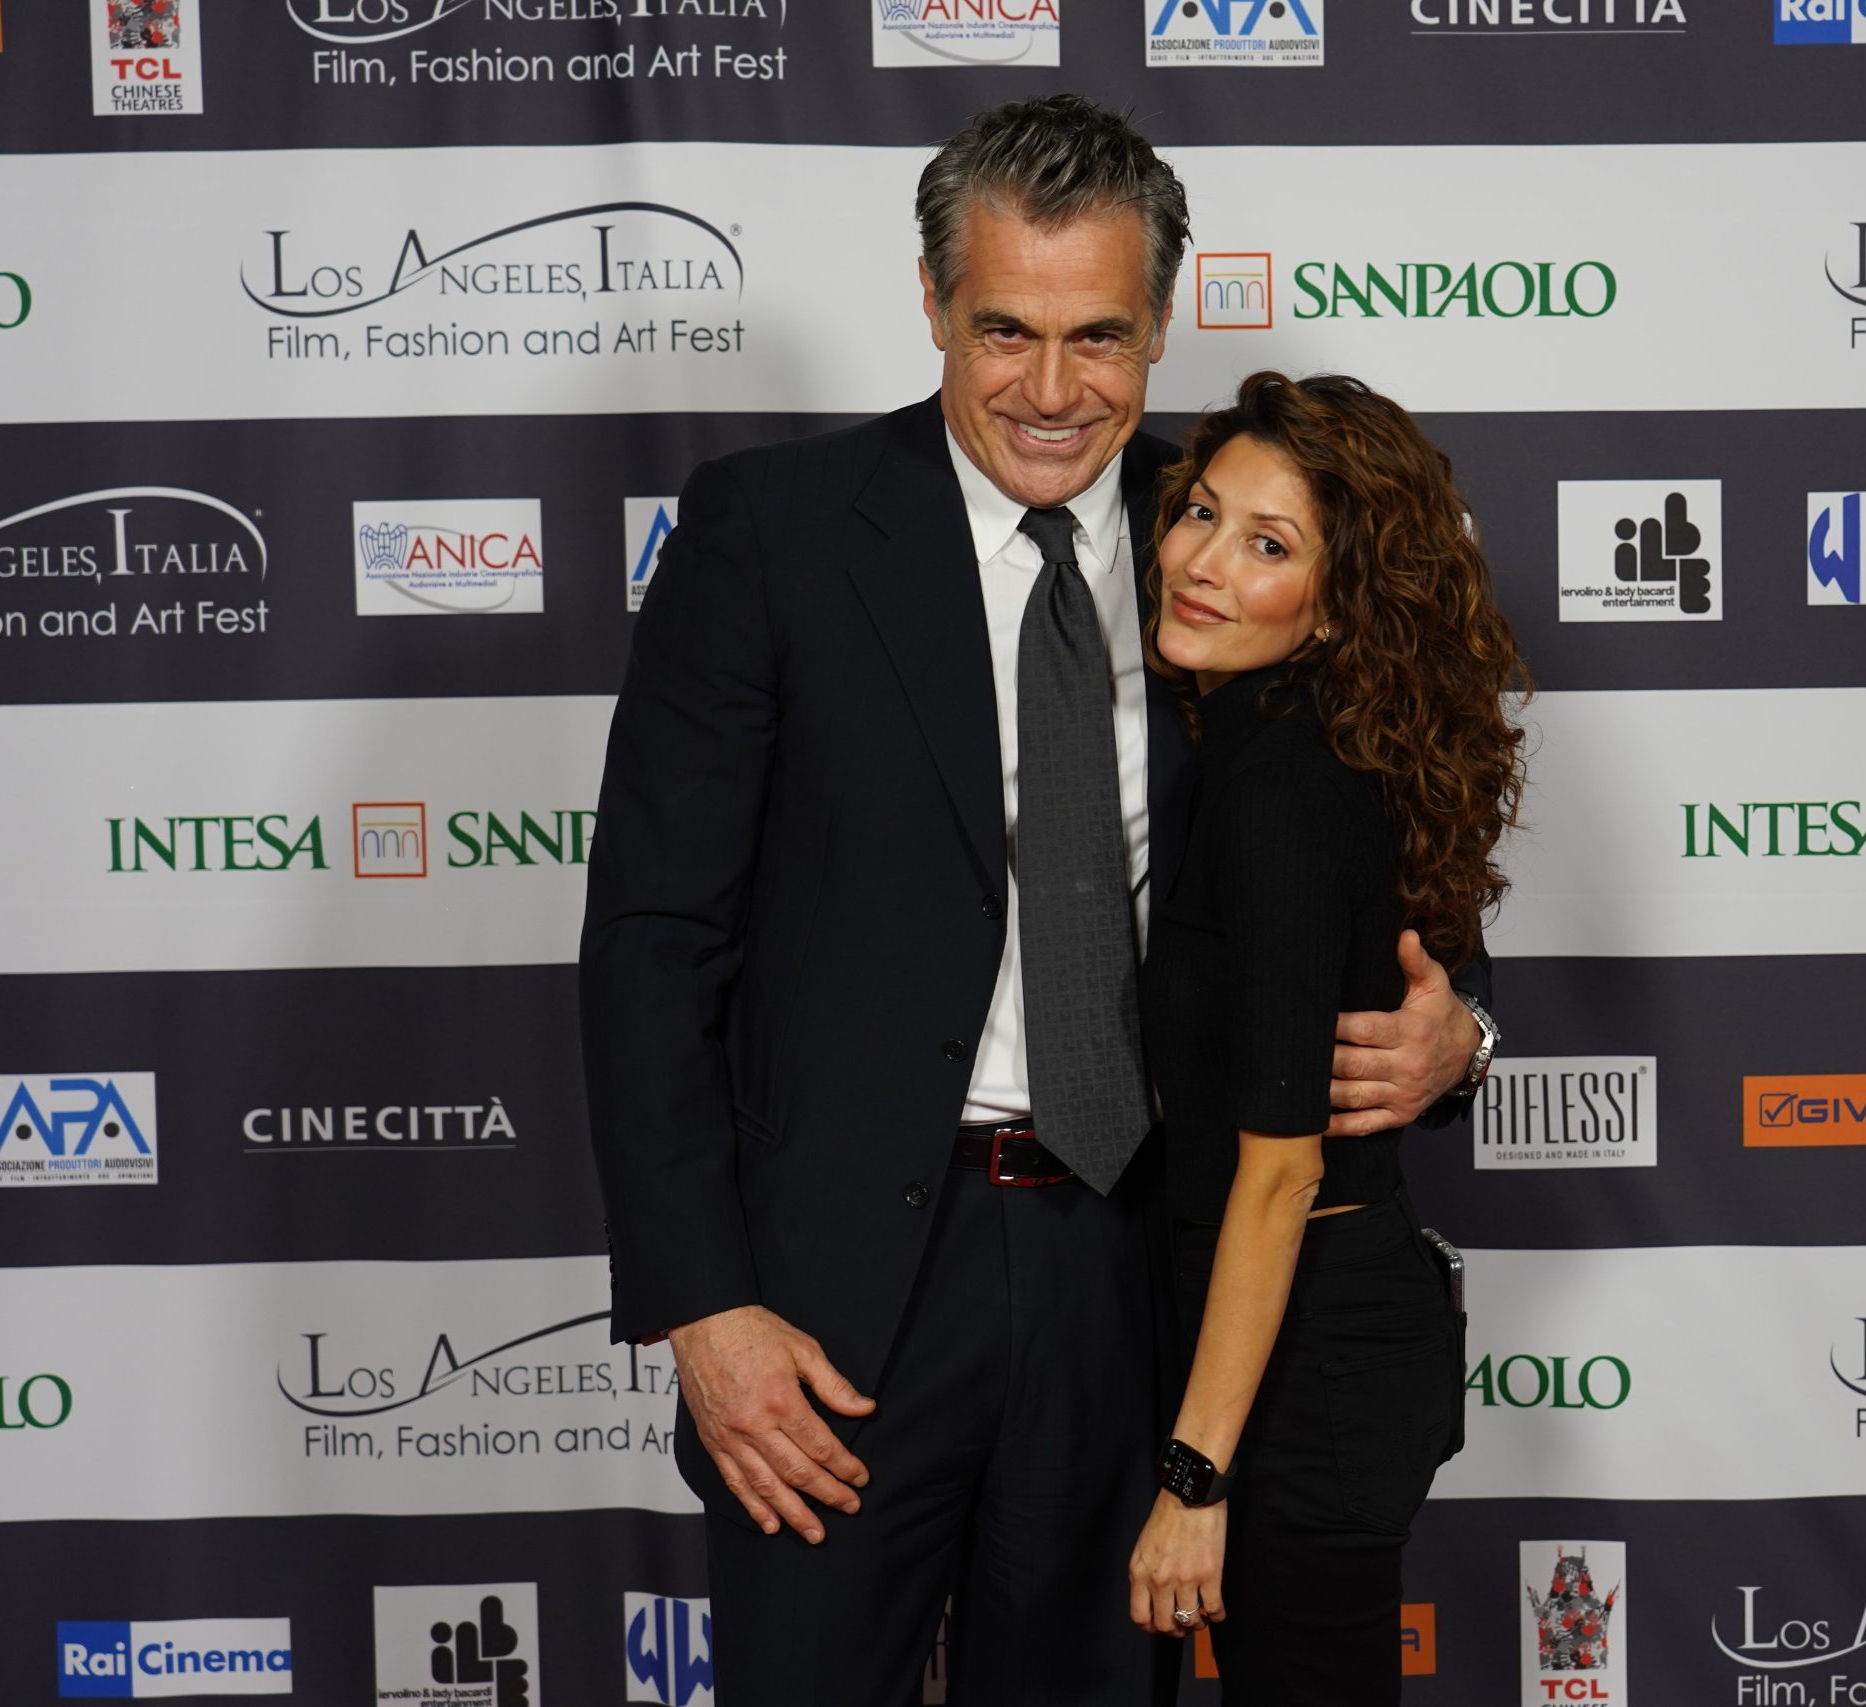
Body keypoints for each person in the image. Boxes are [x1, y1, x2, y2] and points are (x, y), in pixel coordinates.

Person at [579, 99, 1498, 1704]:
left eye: (1100, 336)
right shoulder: (770, 533)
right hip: (832, 1298)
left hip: (1128, 1274)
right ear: (934, 304)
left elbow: (1383, 829)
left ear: (1162, 323)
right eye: (1006, 329)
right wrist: (705, 1310)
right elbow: (654, 943)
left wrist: (1463, 1029)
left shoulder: (1221, 539)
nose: (1054, 390)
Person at [1123, 372, 1530, 1704]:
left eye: (1268, 545)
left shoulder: (1282, 788)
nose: (1201, 563)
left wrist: (1194, 1477)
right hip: (1289, 1339)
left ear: (1340, 600)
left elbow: (1280, 1174)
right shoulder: (1277, 743)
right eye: (1200, 513)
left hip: (1305, 1358)